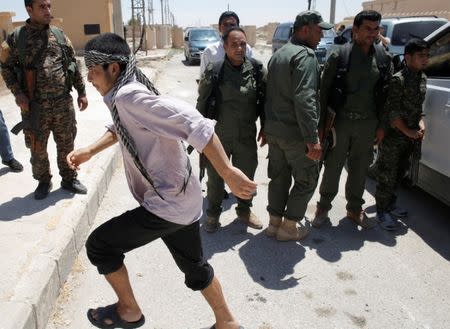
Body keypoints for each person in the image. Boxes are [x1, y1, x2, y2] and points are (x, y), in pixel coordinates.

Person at [67, 32, 255, 329]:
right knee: (196, 268)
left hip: (167, 204)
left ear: (113, 69)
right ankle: (227, 323)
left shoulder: (128, 95)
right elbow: (122, 127)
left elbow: (193, 122)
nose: (88, 77)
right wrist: (90, 150)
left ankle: (129, 310)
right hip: (184, 199)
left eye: (92, 68)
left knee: (100, 246)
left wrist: (228, 172)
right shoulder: (125, 94)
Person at [0, 0, 88, 200]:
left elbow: (73, 64)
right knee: (37, 148)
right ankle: (43, 181)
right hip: (34, 107)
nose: (48, 10)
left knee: (66, 144)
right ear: (29, 9)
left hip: (62, 104)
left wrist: (81, 92)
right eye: (42, 7)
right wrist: (18, 93)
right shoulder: (17, 38)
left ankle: (68, 178)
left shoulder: (59, 34)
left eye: (49, 6)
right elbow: (4, 68)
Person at [313, 10, 393, 229]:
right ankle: (323, 207)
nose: (372, 33)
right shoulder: (339, 56)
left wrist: (381, 126)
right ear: (355, 30)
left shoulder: (382, 57)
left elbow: (387, 95)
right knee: (333, 166)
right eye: (367, 28)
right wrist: (321, 128)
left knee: (360, 168)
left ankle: (354, 209)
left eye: (376, 29)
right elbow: (324, 93)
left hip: (368, 124)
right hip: (340, 123)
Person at [263, 11, 333, 241]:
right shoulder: (306, 56)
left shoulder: (278, 54)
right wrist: (313, 138)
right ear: (305, 29)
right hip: (296, 134)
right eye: (318, 29)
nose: (322, 35)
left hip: (275, 132)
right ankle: (289, 227)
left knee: (279, 177)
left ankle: (274, 224)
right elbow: (305, 98)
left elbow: (267, 95)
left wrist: (265, 127)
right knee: (306, 180)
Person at [197, 27, 266, 233]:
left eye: (243, 44)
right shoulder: (214, 70)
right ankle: (213, 213)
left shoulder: (256, 69)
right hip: (219, 136)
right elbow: (202, 103)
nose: (239, 48)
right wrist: (198, 135)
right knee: (216, 177)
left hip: (246, 135)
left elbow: (265, 101)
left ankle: (244, 210)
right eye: (234, 44)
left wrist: (266, 126)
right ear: (225, 46)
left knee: (246, 174)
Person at [374, 38, 429, 230]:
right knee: (387, 175)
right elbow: (392, 113)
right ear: (408, 57)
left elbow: (418, 107)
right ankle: (381, 212)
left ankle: (390, 204)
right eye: (421, 56)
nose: (425, 59)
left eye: (427, 56)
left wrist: (421, 124)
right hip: (394, 136)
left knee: (399, 174)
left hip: (410, 136)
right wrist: (408, 131)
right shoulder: (399, 80)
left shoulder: (422, 78)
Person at [199, 11, 253, 78]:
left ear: (237, 27)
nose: (229, 28)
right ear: (219, 28)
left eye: (232, 25)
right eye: (225, 25)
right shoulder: (209, 52)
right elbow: (203, 79)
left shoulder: (247, 49)